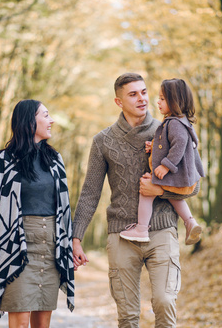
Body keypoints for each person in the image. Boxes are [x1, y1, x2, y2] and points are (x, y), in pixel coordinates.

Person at [72, 73, 185, 328]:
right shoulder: (103, 141)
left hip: (162, 230)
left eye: (144, 92)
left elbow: (192, 186)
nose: (142, 98)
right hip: (121, 234)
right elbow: (90, 193)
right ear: (118, 102)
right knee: (127, 316)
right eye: (133, 94)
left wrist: (161, 192)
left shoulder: (168, 130)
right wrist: (76, 238)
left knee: (165, 301)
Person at [0, 99, 74, 328]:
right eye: (46, 115)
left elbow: (65, 209)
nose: (52, 120)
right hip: (15, 246)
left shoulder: (55, 160)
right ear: (30, 122)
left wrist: (71, 245)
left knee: (42, 325)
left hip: (50, 248)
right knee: (19, 323)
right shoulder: (4, 160)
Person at [120, 78, 205, 244]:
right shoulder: (182, 122)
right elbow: (172, 144)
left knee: (146, 188)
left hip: (176, 174)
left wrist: (166, 166)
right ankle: (189, 222)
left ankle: (142, 229)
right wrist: (154, 146)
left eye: (162, 99)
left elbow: (179, 144)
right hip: (182, 179)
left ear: (175, 101)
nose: (158, 102)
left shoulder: (174, 123)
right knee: (175, 197)